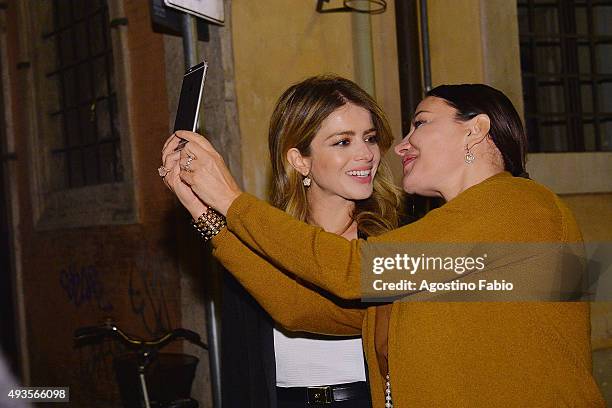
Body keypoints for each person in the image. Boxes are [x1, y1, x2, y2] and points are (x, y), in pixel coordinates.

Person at [162, 84, 605, 407]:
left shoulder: (519, 203)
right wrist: (205, 217)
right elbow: (304, 310)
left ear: (476, 130)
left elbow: (353, 270)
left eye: (420, 124)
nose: (400, 146)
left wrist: (230, 199)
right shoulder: (447, 236)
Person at [161, 75, 404, 407]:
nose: (367, 154)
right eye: (343, 142)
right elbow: (241, 366)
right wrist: (196, 205)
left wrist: (227, 200)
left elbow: (302, 308)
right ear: (299, 160)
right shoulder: (258, 242)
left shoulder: (396, 239)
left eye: (370, 138)